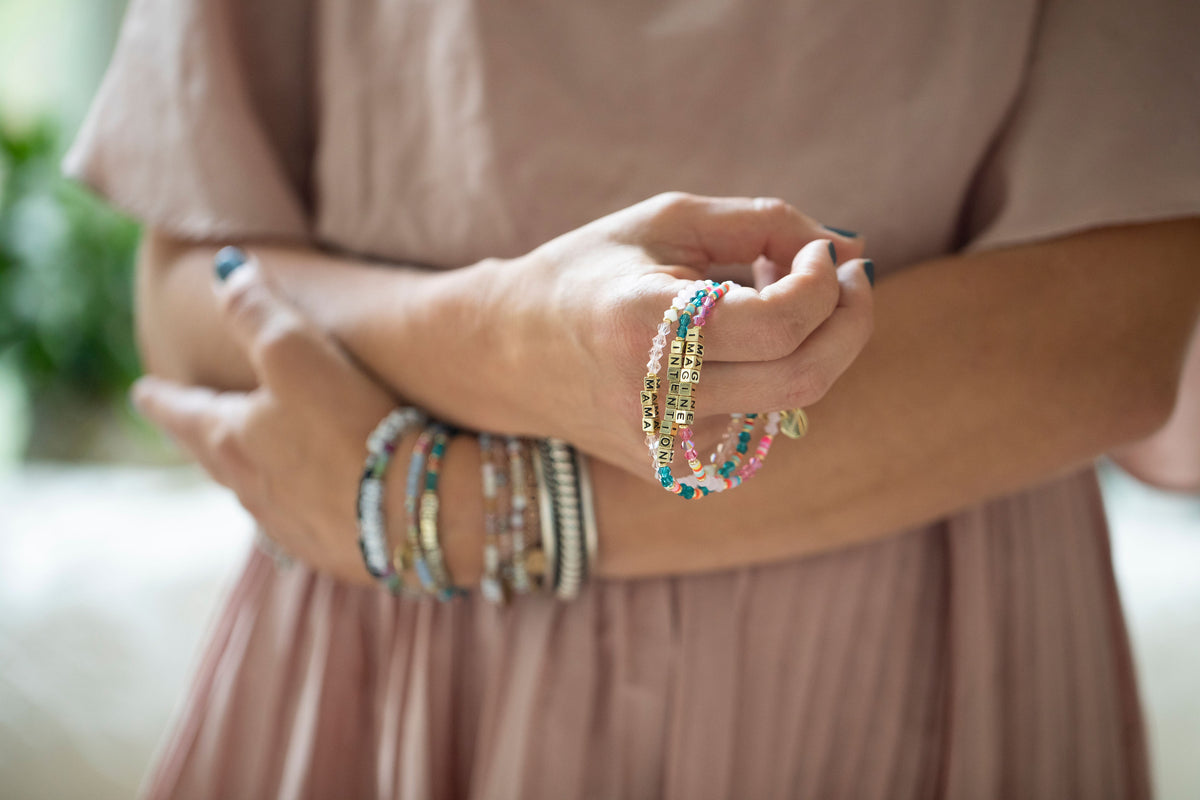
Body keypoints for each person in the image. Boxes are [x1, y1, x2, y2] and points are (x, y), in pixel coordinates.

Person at [65, 0, 1199, 796]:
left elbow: (1113, 329)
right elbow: (185, 296)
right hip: (390, 643)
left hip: (904, 661)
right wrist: (504, 333)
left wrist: (469, 508)